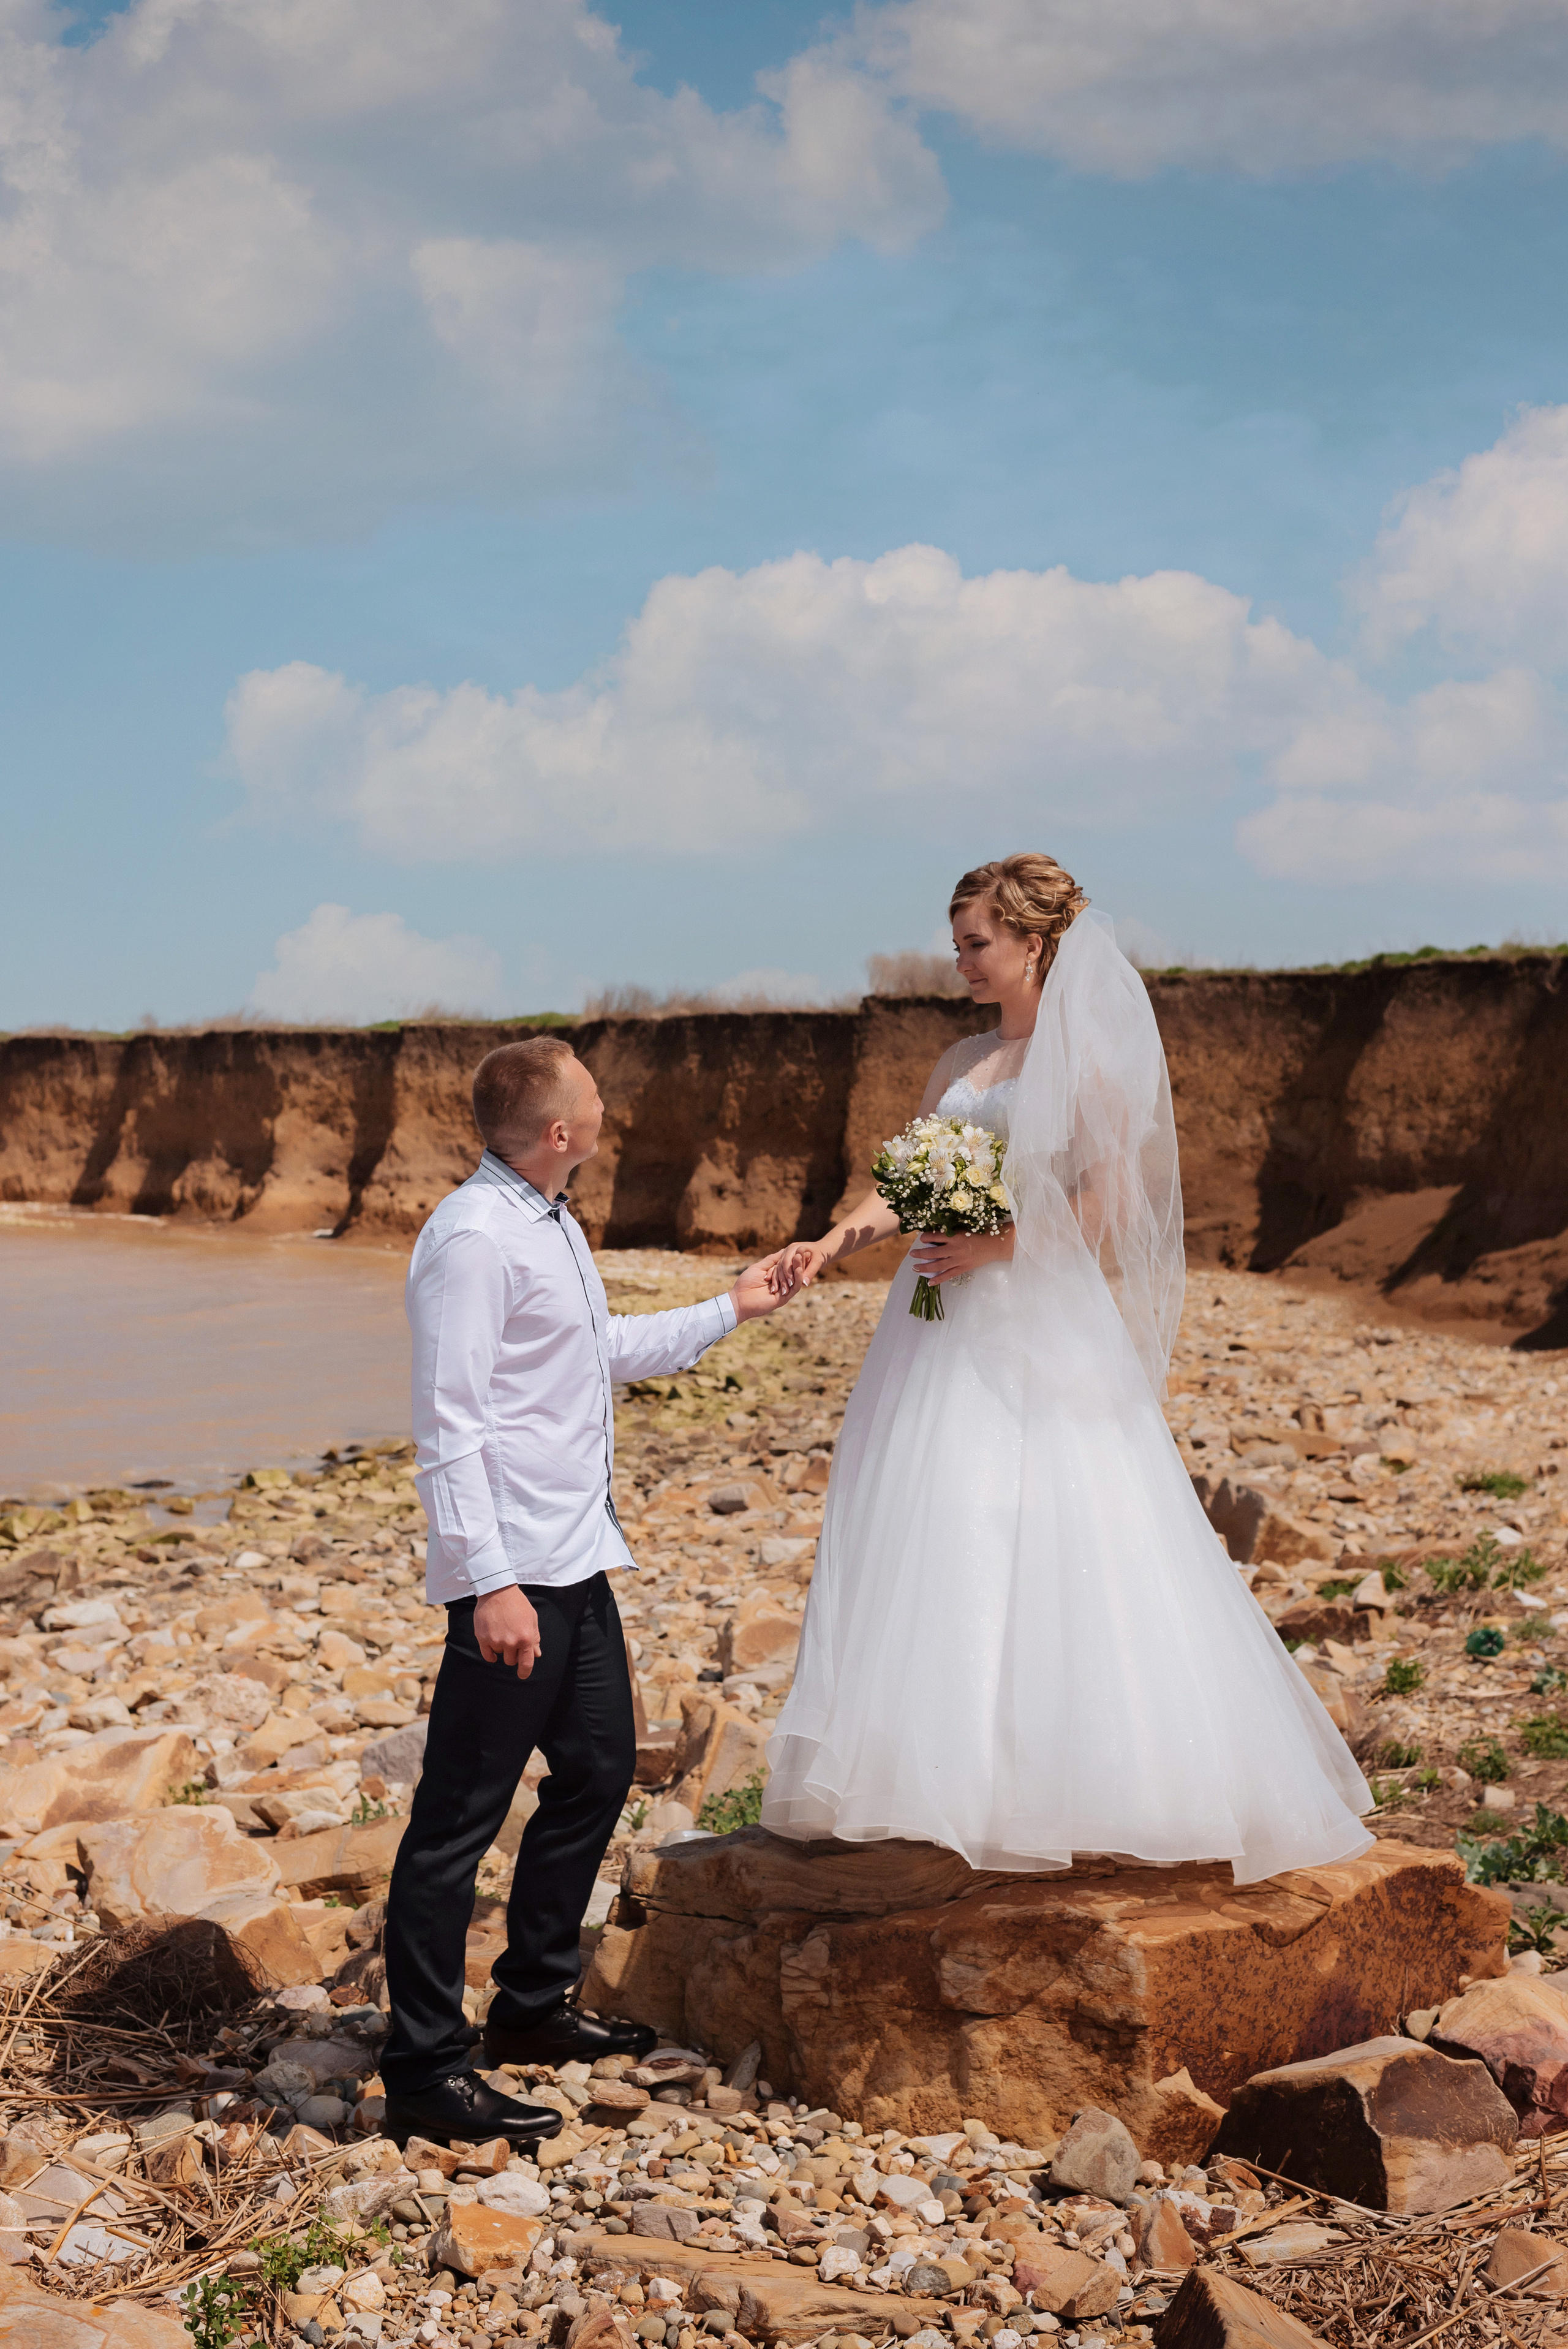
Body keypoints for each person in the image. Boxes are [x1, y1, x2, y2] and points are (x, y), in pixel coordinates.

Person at [761, 854, 1372, 1885]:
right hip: (935, 1320)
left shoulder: (1084, 1063)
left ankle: (1084, 1778)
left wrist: (994, 1245)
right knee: (940, 1518)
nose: (961, 961)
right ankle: (937, 1777)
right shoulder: (962, 1060)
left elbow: (1104, 1205)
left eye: (977, 943)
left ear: (1034, 943)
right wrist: (827, 1246)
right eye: (958, 944)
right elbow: (906, 1184)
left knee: (1059, 1517)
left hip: (1035, 1313)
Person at [382, 1034, 794, 2150]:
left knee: (601, 1768)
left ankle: (529, 2005)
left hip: (577, 1560)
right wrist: (488, 1584)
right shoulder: (473, 1236)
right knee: (455, 1823)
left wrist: (732, 1306)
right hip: (515, 1575)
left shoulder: (549, 1218)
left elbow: (595, 1350)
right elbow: (447, 1421)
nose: (609, 1102)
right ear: (559, 1129)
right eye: (594, 1093)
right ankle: (423, 2065)